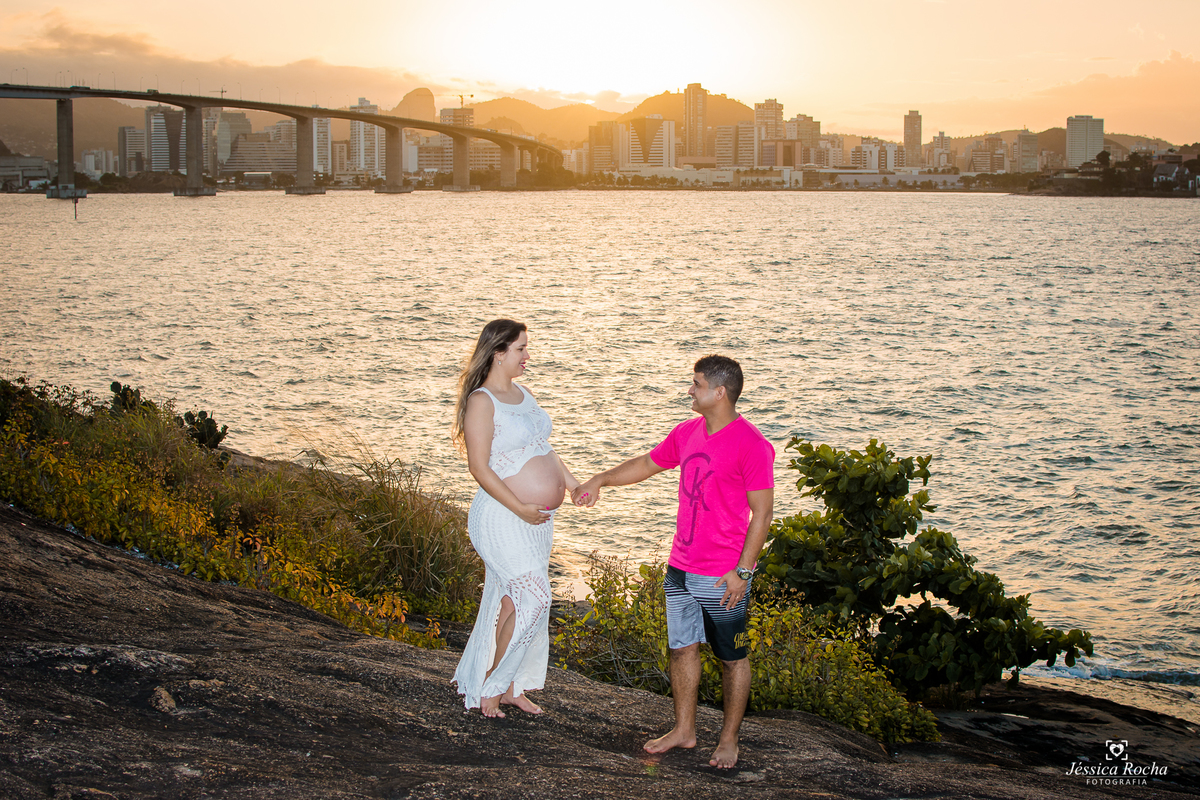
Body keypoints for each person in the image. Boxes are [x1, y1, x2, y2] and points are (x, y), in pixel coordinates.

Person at [572, 355, 774, 769]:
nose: (689, 390)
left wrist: (743, 572)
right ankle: (684, 731)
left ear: (720, 393)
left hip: (723, 576)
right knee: (681, 650)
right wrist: (601, 479)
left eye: (696, 384)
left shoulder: (752, 444)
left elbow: (763, 514)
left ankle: (729, 739)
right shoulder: (687, 432)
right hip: (680, 568)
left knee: (731, 658)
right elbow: (648, 464)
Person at [451, 319, 582, 718]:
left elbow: (545, 449)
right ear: (498, 352)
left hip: (535, 524)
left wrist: (573, 485)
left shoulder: (523, 395)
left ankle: (511, 686)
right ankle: (491, 687)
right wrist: (519, 507)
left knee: (513, 601)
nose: (528, 356)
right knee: (537, 597)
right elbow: (480, 467)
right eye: (522, 349)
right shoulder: (481, 400)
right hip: (503, 519)